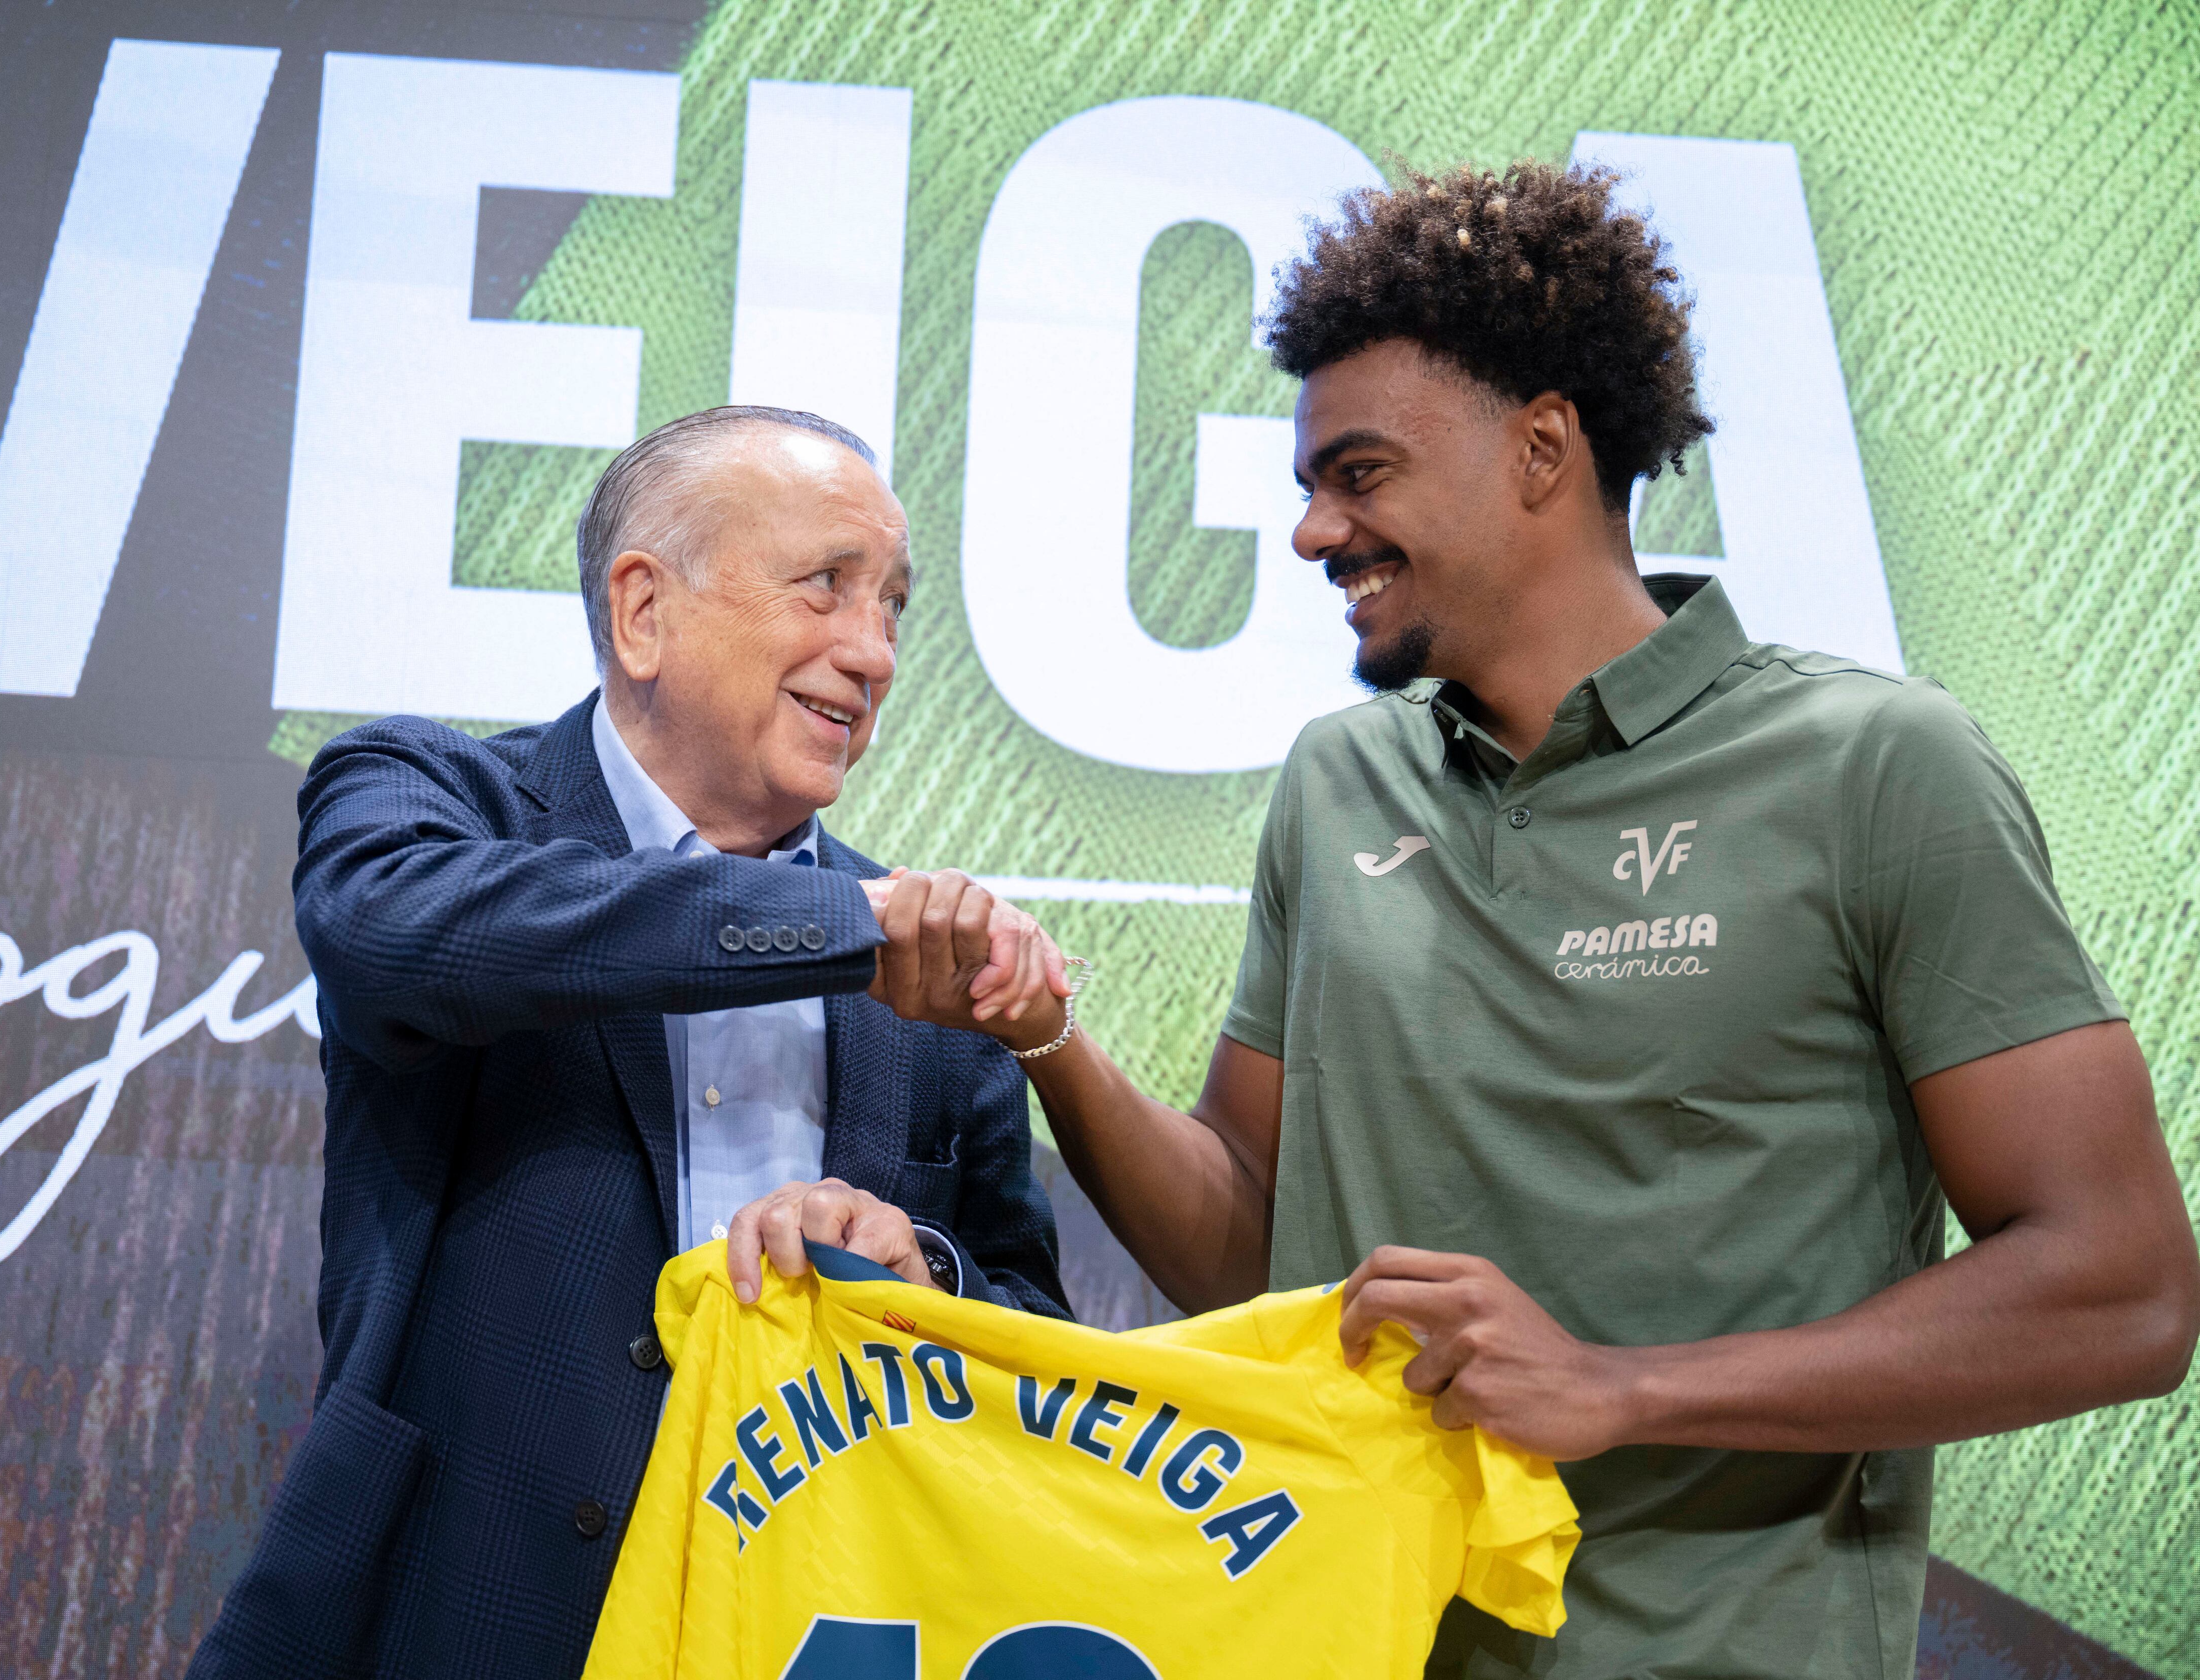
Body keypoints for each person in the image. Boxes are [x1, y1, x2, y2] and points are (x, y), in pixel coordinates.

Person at [874, 163, 2200, 1677]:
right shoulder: (1339, 780)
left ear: (1544, 448)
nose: (1313, 532)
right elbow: (1262, 1250)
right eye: (1310, 484)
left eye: (1358, 474)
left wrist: (1619, 1386)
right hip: (1337, 1641)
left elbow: (2123, 1286)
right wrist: (1044, 1034)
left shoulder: (1877, 763)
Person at [187, 406, 1072, 1680]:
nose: (871, 652)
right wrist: (834, 922)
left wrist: (920, 1268)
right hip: (449, 1619)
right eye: (826, 586)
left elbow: (1032, 1331)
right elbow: (393, 938)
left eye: (892, 608)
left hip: (798, 1631)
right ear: (642, 610)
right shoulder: (430, 795)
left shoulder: (924, 974)